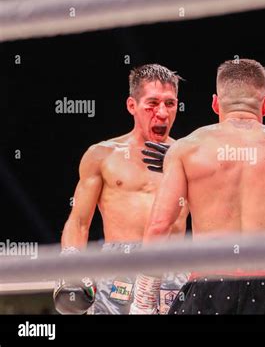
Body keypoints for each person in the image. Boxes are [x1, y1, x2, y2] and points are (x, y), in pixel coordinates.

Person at [132, 59, 265, 315]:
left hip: (208, 287)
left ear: (215, 103)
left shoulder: (186, 150)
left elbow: (159, 226)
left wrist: (143, 304)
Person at [54, 64, 188, 315]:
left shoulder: (188, 157)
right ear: (131, 106)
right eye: (152, 103)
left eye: (170, 104)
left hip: (171, 265)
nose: (162, 113)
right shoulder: (102, 155)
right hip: (118, 268)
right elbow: (80, 221)